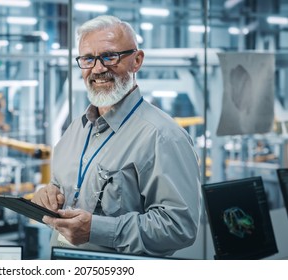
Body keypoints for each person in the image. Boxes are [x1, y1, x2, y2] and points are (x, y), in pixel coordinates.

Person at [31, 15, 201, 256]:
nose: (98, 69)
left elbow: (179, 227)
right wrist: (46, 194)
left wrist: (97, 230)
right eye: (88, 59)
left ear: (137, 60)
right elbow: (66, 187)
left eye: (109, 56)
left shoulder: (162, 136)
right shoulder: (75, 130)